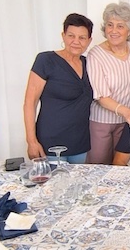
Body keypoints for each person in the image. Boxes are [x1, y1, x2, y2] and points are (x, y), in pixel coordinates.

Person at [23, 14, 94, 163]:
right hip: (51, 144)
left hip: (80, 143)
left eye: (82, 38)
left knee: (77, 185)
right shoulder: (46, 60)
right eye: (71, 36)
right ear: (63, 36)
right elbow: (30, 102)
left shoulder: (90, 65)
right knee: (53, 185)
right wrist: (31, 141)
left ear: (89, 41)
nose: (76, 41)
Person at [87, 2, 130, 164]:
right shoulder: (96, 54)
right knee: (98, 168)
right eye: (110, 25)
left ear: (129, 30)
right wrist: (127, 112)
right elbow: (101, 96)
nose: (113, 30)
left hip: (128, 122)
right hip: (101, 123)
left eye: (120, 26)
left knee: (123, 169)